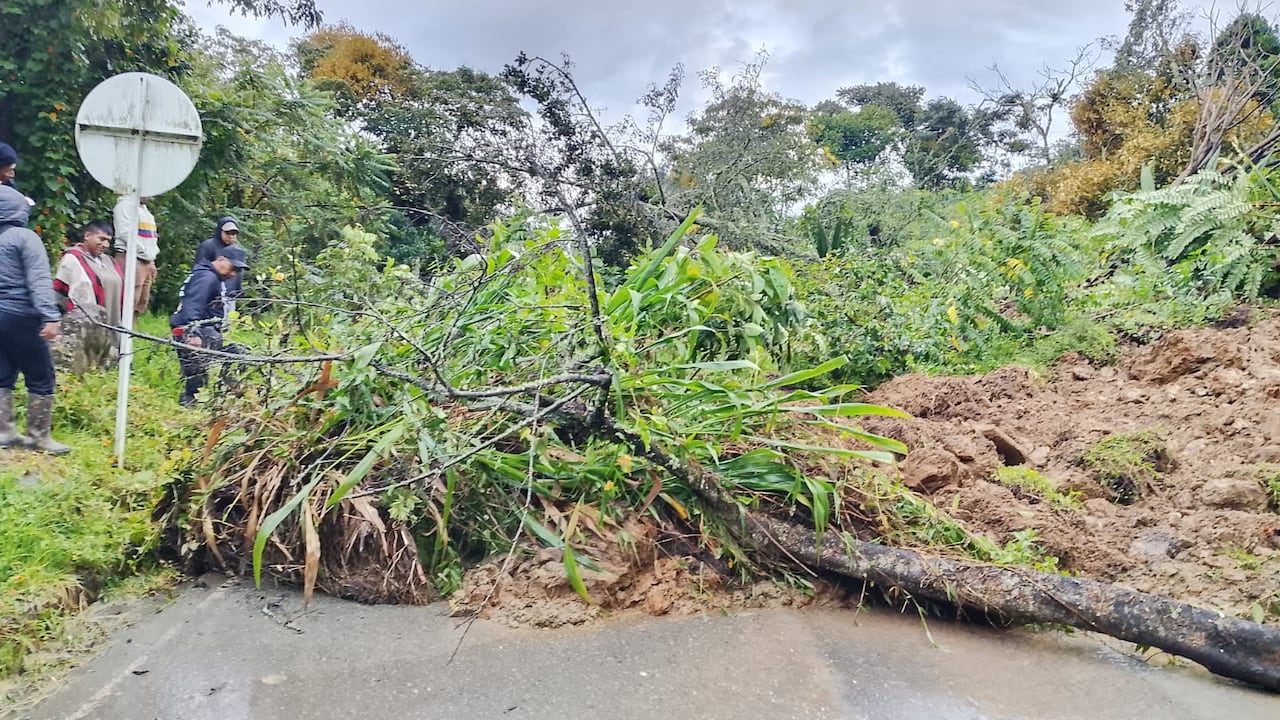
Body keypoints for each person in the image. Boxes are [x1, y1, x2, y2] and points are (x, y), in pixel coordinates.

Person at [0, 184, 70, 454]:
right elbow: (39, 281)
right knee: (41, 375)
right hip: (21, 314)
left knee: (3, 373)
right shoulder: (25, 237)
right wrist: (50, 316)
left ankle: (4, 432)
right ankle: (38, 437)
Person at [170, 244, 249, 406]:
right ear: (220, 259)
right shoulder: (207, 278)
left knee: (202, 375)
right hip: (194, 331)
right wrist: (193, 333)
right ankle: (192, 405)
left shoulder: (207, 275)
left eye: (237, 271)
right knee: (198, 379)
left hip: (198, 330)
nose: (233, 274)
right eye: (233, 268)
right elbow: (193, 304)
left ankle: (223, 395)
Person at [52, 220, 124, 372]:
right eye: (101, 239)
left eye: (108, 241)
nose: (105, 244)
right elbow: (62, 292)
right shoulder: (72, 258)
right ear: (87, 235)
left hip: (111, 317)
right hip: (85, 321)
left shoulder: (108, 261)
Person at [113, 195, 160, 319]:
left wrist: (151, 260)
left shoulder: (145, 210)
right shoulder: (124, 205)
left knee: (141, 302)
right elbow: (125, 233)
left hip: (146, 260)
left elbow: (151, 239)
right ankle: (119, 329)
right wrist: (144, 252)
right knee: (128, 301)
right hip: (130, 257)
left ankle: (131, 329)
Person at [193, 217, 244, 329]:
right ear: (220, 231)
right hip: (210, 294)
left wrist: (238, 291)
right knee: (205, 325)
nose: (231, 236)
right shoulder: (208, 246)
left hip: (230, 295)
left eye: (234, 233)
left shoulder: (238, 251)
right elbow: (199, 268)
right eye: (227, 233)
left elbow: (238, 274)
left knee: (226, 327)